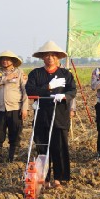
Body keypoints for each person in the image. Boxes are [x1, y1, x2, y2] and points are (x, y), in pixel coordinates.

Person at [25, 41, 76, 187]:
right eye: (47, 55)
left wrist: (64, 96)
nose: (50, 58)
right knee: (42, 147)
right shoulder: (36, 74)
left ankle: (59, 178)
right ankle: (44, 177)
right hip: (42, 115)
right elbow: (30, 90)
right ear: (43, 58)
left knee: (59, 147)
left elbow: (73, 90)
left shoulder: (65, 74)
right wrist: (47, 87)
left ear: (58, 57)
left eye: (53, 55)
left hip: (59, 115)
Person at [0, 50, 28, 164]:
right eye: (3, 59)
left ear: (13, 61)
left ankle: (13, 159)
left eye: (8, 59)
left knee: (15, 135)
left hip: (15, 109)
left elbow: (25, 91)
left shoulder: (20, 73)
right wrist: (5, 78)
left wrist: (25, 108)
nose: (5, 61)